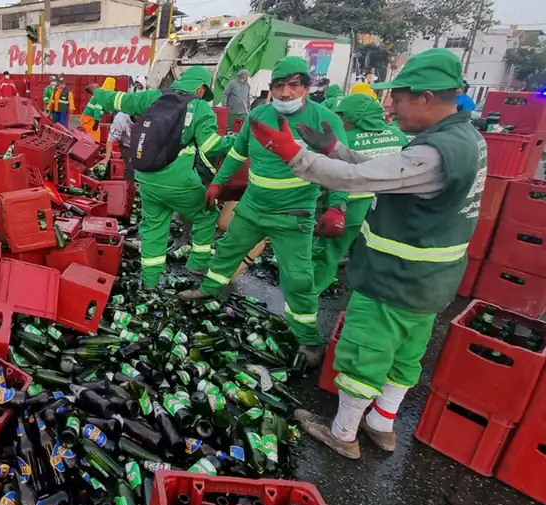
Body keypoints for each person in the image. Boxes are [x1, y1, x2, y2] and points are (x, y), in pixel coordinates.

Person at [248, 48, 484, 459]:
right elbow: (389, 170)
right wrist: (335, 148)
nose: (389, 104)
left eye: (398, 96)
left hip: (394, 277)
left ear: (427, 97)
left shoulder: (434, 153)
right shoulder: (466, 139)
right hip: (434, 281)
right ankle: (381, 424)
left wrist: (297, 156)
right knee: (406, 353)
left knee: (366, 350)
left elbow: (361, 179)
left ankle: (342, 432)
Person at [178, 56, 349, 367]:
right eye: (279, 86)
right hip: (253, 206)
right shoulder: (258, 116)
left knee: (298, 277)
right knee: (227, 250)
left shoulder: (325, 120)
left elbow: (340, 168)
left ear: (307, 87)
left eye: (293, 85)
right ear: (270, 88)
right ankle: (208, 289)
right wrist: (217, 183)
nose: (285, 94)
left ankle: (308, 338)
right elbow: (236, 153)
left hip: (294, 214)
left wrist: (337, 206)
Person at [89, 66, 234, 288]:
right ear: (201, 89)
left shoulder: (154, 96)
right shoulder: (200, 107)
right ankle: (198, 263)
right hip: (180, 182)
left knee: (154, 229)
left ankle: (150, 281)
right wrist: (236, 140)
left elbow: (119, 100)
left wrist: (98, 93)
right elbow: (211, 146)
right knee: (206, 215)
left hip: (147, 180)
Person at [309, 93, 410, 297]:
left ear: (355, 117)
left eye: (343, 117)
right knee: (365, 257)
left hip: (350, 208)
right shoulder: (398, 136)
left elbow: (334, 174)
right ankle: (360, 296)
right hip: (383, 210)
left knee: (327, 254)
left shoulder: (348, 139)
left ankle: (307, 297)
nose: (341, 122)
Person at [100, 111, 135, 183]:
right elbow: (110, 140)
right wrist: (107, 158)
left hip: (143, 143)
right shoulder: (120, 119)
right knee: (131, 168)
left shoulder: (148, 116)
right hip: (127, 145)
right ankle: (128, 187)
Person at [81, 77, 115, 142]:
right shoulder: (103, 94)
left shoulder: (100, 92)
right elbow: (98, 108)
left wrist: (107, 111)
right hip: (90, 119)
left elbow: (100, 106)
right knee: (93, 139)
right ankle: (91, 151)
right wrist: (96, 121)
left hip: (88, 117)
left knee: (90, 137)